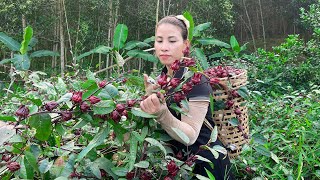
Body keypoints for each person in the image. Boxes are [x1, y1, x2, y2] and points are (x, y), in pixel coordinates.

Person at [140, 15, 234, 179]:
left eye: (172, 41)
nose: (164, 47)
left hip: (206, 165)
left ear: (186, 45)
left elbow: (190, 135)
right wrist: (150, 96)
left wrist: (162, 114)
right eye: (159, 40)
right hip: (179, 165)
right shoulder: (163, 79)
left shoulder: (196, 81)